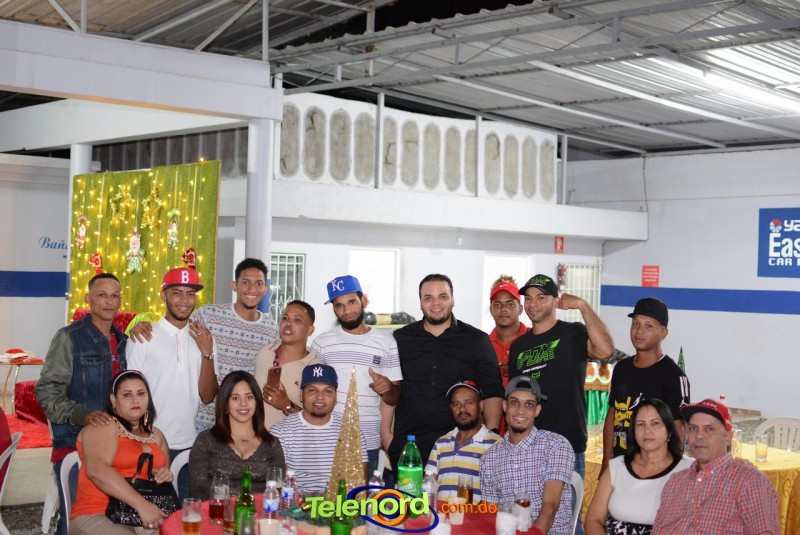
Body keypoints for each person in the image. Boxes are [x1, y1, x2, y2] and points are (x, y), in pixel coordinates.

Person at [130, 258, 279, 430]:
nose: (252, 289)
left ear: (266, 288)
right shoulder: (208, 315)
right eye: (245, 282)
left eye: (259, 283)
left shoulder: (271, 330)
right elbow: (177, 321)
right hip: (202, 420)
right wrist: (143, 326)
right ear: (234, 285)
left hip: (241, 420)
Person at [36, 273, 128, 535]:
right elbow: (47, 391)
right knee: (77, 521)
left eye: (114, 296)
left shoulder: (124, 342)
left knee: (109, 521)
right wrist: (82, 415)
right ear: (88, 299)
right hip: (75, 446)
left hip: (116, 448)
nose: (109, 302)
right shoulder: (69, 338)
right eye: (102, 295)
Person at [389, 274, 504, 471]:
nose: (436, 303)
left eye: (443, 296)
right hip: (409, 448)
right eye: (428, 298)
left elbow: (492, 391)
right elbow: (392, 389)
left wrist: (490, 440)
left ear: (453, 299)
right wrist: (387, 439)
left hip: (461, 448)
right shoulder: (400, 339)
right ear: (420, 302)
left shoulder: (477, 340)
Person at [508, 274, 614, 479]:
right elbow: (514, 397)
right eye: (528, 298)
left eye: (541, 297)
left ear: (556, 301)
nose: (533, 304)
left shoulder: (573, 333)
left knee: (567, 501)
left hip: (568, 444)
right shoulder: (518, 346)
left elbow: (605, 350)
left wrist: (583, 306)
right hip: (528, 447)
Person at [126, 267, 218, 501]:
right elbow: (129, 398)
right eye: (177, 293)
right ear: (163, 295)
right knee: (152, 513)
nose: (184, 301)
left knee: (186, 512)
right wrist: (138, 439)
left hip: (190, 445)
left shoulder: (204, 339)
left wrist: (207, 353)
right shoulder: (143, 337)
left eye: (190, 294)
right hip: (150, 442)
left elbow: (208, 396)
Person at [312, 275, 402, 475]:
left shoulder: (386, 342)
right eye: (339, 305)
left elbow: (395, 397)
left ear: (364, 300)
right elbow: (311, 392)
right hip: (327, 439)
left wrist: (387, 388)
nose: (346, 311)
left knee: (363, 495)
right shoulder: (321, 343)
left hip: (368, 441)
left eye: (351, 302)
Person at [652, 399, 780, 535]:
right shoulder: (676, 482)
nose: (699, 435)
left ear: (728, 437)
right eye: (693, 428)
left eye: (709, 429)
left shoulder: (749, 481)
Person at [70, 370, 172, 534]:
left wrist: (163, 475)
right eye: (127, 395)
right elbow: (97, 470)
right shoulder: (103, 426)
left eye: (141, 393)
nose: (135, 400)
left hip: (142, 512)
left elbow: (162, 480)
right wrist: (142, 505)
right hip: (98, 511)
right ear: (113, 399)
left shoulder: (157, 435)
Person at [603, 298, 690, 471]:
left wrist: (666, 473)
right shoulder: (622, 368)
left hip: (653, 470)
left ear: (663, 333)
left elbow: (679, 431)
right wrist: (606, 461)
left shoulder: (674, 376)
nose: (639, 331)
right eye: (635, 324)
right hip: (619, 467)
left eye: (648, 326)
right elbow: (612, 414)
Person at [481, 376, 574, 535]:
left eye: (529, 405)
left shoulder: (555, 445)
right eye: (514, 403)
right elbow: (490, 513)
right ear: (505, 406)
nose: (520, 411)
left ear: (537, 410)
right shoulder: (489, 458)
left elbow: (550, 507)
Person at [585, 398, 692, 535]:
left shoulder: (688, 470)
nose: (647, 430)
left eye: (655, 423)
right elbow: (593, 520)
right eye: (640, 424)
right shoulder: (616, 467)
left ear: (669, 431)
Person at [270, 364, 368, 493]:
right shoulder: (281, 431)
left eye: (327, 391)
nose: (320, 397)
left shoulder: (351, 432)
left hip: (338, 502)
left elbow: (359, 486)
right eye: (312, 390)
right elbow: (277, 487)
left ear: (336, 397)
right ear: (301, 395)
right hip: (295, 502)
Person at [188, 371, 285, 500]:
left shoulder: (272, 444)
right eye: (235, 398)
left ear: (257, 401)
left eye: (249, 397)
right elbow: (198, 492)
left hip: (260, 511)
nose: (243, 404)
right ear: (225, 404)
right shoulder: (206, 440)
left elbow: (277, 493)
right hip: (216, 510)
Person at [426, 380, 502, 501]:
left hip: (475, 513)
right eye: (456, 404)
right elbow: (428, 486)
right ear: (451, 408)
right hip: (440, 513)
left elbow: (500, 493)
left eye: (469, 403)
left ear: (481, 406)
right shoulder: (441, 443)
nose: (462, 409)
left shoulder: (495, 444)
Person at [254, 300, 319, 428]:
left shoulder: (314, 368)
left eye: (297, 320)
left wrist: (286, 405)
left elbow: (315, 420)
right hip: (253, 438)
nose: (288, 323)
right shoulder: (265, 352)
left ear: (310, 330)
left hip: (286, 440)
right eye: (285, 318)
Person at [488, 275, 529, 389]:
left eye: (510, 304)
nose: (503, 309)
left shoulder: (534, 339)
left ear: (520, 309)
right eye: (497, 305)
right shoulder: (483, 345)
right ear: (491, 310)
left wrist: (519, 370)